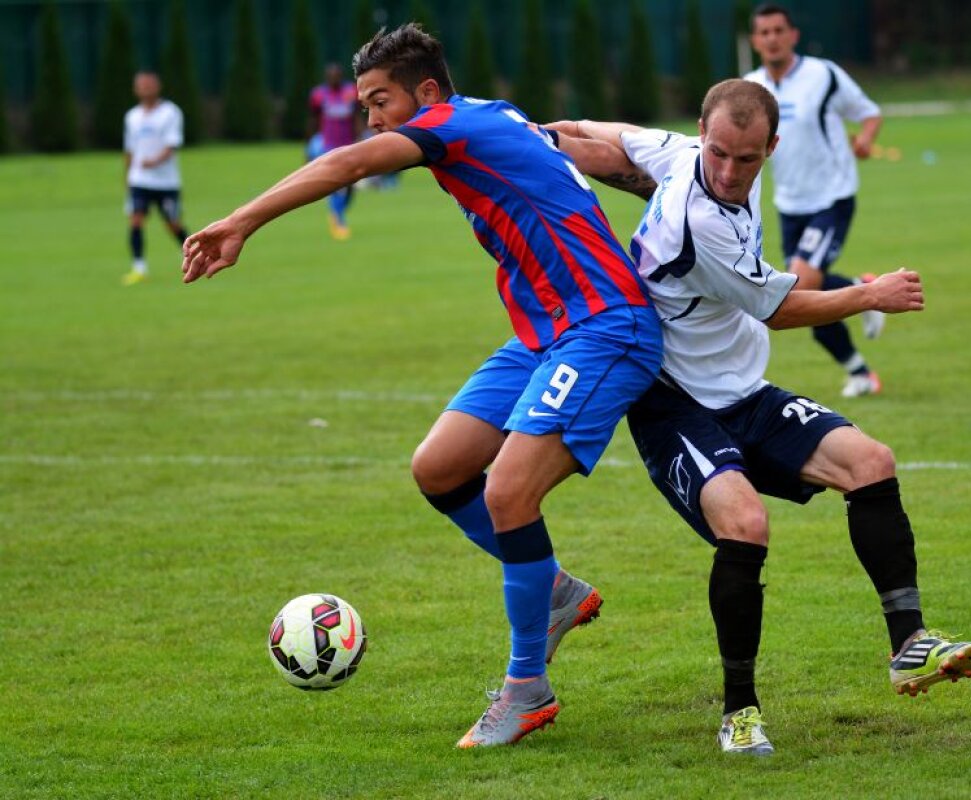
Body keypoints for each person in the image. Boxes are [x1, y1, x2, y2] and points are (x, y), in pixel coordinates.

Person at [181, 24, 662, 748]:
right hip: (543, 332)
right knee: (439, 468)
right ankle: (554, 591)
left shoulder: (451, 126)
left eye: (380, 102)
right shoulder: (496, 115)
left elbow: (347, 163)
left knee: (507, 493)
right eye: (365, 104)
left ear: (427, 93)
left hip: (604, 326)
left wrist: (240, 221)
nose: (372, 118)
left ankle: (525, 688)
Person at [548, 78, 971, 756]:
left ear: (769, 148)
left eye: (745, 160)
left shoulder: (681, 151)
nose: (727, 172)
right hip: (672, 403)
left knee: (872, 463)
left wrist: (532, 132)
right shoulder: (700, 220)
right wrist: (870, 294)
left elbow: (597, 136)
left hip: (742, 392)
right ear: (703, 133)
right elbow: (777, 309)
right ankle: (739, 711)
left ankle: (910, 645)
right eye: (719, 154)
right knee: (746, 523)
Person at [744, 4, 886, 397]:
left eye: (778, 30)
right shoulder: (751, 88)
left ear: (793, 35)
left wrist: (866, 140)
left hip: (831, 197)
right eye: (764, 32)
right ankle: (859, 368)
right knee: (807, 296)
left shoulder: (823, 75)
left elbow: (869, 113)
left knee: (799, 291)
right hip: (789, 205)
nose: (772, 38)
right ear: (755, 41)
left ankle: (863, 298)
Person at [122, 71, 188, 286]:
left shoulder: (170, 112)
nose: (145, 89)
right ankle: (139, 267)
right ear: (135, 89)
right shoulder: (132, 116)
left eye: (149, 85)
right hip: (139, 181)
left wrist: (155, 161)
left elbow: (172, 145)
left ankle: (192, 254)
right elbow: (129, 150)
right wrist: (128, 177)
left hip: (166, 182)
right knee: (136, 220)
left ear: (158, 87)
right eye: (141, 85)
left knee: (173, 224)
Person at [309, 63, 363, 239]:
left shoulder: (350, 92)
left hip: (348, 144)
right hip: (328, 146)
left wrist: (360, 137)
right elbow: (314, 118)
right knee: (336, 184)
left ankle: (339, 210)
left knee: (351, 186)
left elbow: (356, 116)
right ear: (327, 78)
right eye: (330, 76)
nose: (334, 79)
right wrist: (310, 142)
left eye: (337, 76)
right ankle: (337, 218)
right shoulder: (319, 95)